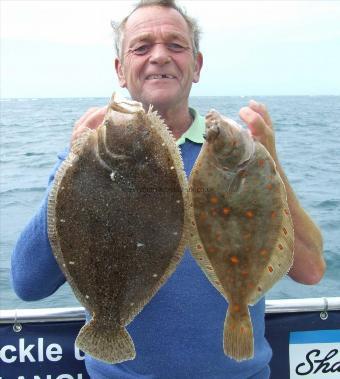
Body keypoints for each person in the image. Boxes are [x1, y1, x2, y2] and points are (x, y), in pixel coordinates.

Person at [11, 1, 325, 378]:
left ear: (197, 66)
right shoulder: (87, 157)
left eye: (176, 45)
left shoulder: (232, 151)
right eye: (141, 47)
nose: (159, 56)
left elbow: (310, 272)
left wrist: (268, 164)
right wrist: (71, 168)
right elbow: (27, 284)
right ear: (120, 70)